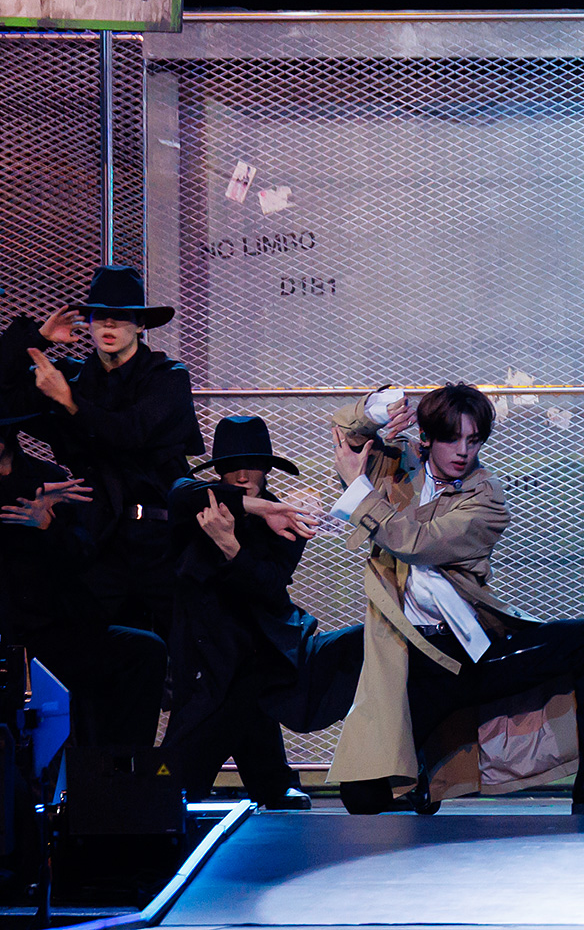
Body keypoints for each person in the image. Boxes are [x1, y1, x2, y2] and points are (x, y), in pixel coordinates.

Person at [323, 382, 584, 816]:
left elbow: (417, 542)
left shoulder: (486, 495)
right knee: (363, 797)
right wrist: (379, 410)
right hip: (411, 658)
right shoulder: (397, 466)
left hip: (470, 653)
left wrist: (358, 492)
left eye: (473, 440)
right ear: (426, 437)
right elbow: (345, 433)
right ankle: (426, 770)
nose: (463, 451)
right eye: (452, 438)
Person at [159, 415, 367, 807]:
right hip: (204, 652)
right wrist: (250, 508)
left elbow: (269, 587)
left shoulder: (286, 517)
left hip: (263, 647)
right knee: (208, 728)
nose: (241, 475)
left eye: (251, 464)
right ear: (218, 471)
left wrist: (231, 546)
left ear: (267, 468)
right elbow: (178, 492)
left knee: (255, 680)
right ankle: (268, 779)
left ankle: (274, 778)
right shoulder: (195, 503)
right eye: (231, 466)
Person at [2, 267, 201, 640]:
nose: (109, 323)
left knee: (182, 645)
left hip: (160, 540)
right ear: (89, 324)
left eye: (121, 315)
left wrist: (69, 403)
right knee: (92, 643)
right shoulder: (71, 378)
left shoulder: (168, 376)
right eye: (99, 315)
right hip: (97, 541)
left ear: (140, 324)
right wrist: (39, 337)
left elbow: (131, 432)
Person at [0, 402, 165, 761]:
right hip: (6, 635)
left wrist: (48, 526)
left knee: (145, 651)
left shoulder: (48, 479)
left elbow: (83, 552)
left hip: (51, 632)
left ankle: (118, 772)